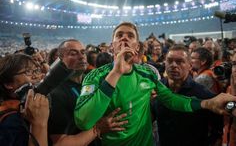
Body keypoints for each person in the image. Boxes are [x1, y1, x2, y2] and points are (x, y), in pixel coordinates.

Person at [74, 22, 236, 146]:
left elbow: (171, 99)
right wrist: (116, 72)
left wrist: (207, 103)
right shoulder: (95, 76)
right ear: (112, 45)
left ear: (137, 47)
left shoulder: (147, 74)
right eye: (119, 35)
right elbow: (83, 121)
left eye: (130, 35)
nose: (124, 38)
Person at [48, 39, 128, 146]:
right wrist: (98, 129)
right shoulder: (56, 94)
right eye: (73, 53)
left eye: (82, 52)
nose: (81, 57)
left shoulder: (94, 81)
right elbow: (60, 143)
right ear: (60, 60)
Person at [155, 45, 223, 146]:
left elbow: (217, 132)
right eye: (169, 60)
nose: (173, 65)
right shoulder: (155, 89)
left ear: (190, 65)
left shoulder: (204, 95)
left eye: (179, 61)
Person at [0, 53, 49, 146]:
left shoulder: (23, 107)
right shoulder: (10, 121)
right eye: (28, 72)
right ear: (8, 83)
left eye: (36, 71)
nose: (36, 76)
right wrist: (39, 123)